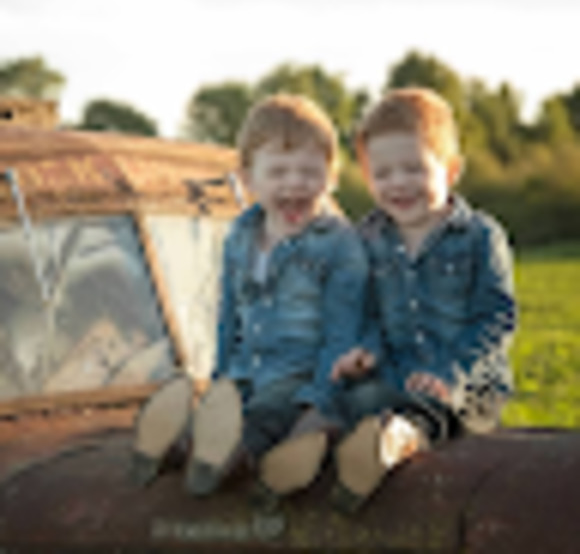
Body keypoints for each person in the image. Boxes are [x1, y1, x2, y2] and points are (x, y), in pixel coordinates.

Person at [130, 94, 368, 499]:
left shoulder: (339, 245)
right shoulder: (240, 235)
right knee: (219, 416)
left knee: (263, 418)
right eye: (278, 172)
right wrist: (219, 384)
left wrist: (320, 404)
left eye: (310, 172)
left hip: (298, 378)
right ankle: (177, 446)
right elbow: (229, 319)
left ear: (331, 178)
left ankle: (226, 460)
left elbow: (343, 333)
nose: (294, 183)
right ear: (247, 179)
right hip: (244, 374)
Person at [326, 87, 518, 513]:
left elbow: (495, 319)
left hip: (467, 388)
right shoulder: (366, 240)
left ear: (451, 170)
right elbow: (366, 315)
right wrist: (364, 352)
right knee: (350, 395)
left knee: (435, 408)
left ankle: (395, 443)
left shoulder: (480, 236)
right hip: (395, 379)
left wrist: (450, 375)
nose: (398, 183)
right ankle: (313, 449)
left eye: (414, 168)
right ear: (367, 177)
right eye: (383, 173)